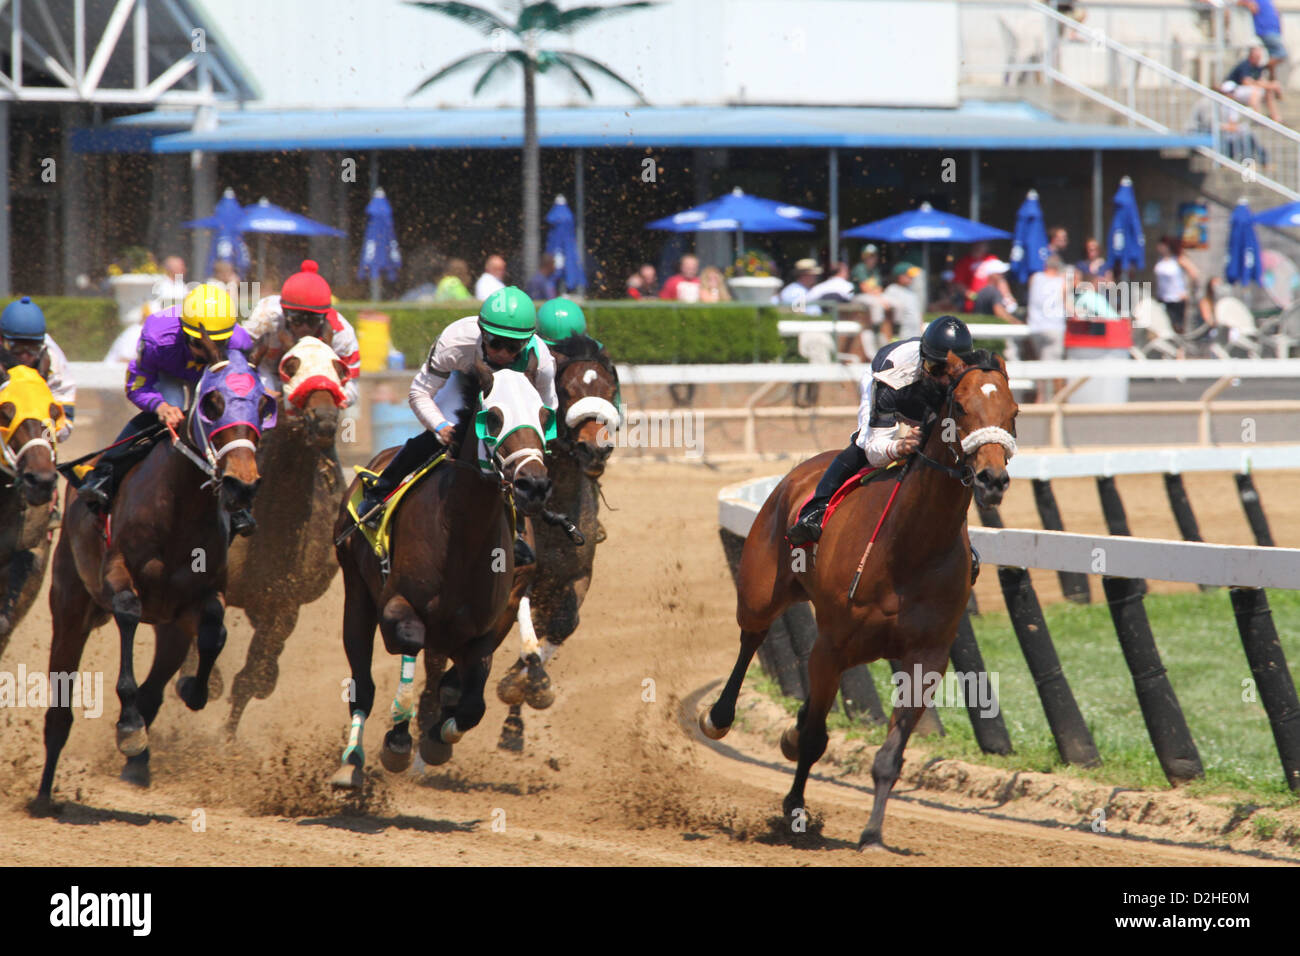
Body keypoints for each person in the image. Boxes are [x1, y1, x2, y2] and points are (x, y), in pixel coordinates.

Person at [355, 286, 558, 563]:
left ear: (527, 342)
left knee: (516, 459)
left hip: (512, 402)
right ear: (481, 332)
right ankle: (379, 493)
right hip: (464, 385)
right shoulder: (456, 341)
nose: (501, 353)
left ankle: (516, 533)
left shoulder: (542, 360)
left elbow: (547, 410)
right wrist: (440, 427)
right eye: (495, 343)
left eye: (513, 347)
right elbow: (420, 393)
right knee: (445, 433)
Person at [77, 283, 258, 535]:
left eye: (218, 344)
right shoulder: (157, 337)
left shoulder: (241, 343)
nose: (209, 351)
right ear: (184, 333)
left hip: (210, 376)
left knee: (222, 417)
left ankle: (238, 503)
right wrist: (159, 406)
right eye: (201, 344)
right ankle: (104, 473)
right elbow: (137, 386)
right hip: (169, 374)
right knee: (172, 408)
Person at [786, 316, 975, 545]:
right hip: (898, 387)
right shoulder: (891, 379)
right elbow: (874, 454)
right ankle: (815, 509)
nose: (945, 380)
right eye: (935, 369)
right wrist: (900, 445)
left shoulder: (969, 378)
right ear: (924, 360)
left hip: (922, 394)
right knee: (861, 445)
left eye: (952, 371)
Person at [243, 260, 361, 408]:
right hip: (268, 373)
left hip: (316, 383)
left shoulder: (342, 335)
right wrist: (257, 388)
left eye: (312, 320)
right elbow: (237, 350)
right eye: (297, 319)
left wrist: (336, 398)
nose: (304, 327)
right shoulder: (266, 316)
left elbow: (352, 385)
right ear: (284, 313)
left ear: (324, 318)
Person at [0, 297, 75, 441]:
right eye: (17, 348)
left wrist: (42, 439)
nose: (25, 355)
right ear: (2, 340)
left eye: (32, 349)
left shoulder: (53, 360)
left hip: (35, 437)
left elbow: (64, 425)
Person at [1026, 256, 1070, 401]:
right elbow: (1068, 306)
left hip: (1036, 327)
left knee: (1041, 364)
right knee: (1052, 367)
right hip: (1054, 327)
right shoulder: (1062, 282)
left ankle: (1041, 397)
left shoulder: (1035, 278)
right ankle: (1051, 400)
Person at [1154, 237, 1200, 346]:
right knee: (1164, 324)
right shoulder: (1160, 260)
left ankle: (1180, 350)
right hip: (1163, 297)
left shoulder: (1178, 259)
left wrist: (1189, 291)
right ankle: (1169, 348)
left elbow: (1195, 273)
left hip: (1177, 298)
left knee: (1177, 326)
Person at [1225, 43, 1283, 122]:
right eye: (1257, 55)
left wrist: (1270, 86)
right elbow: (1246, 81)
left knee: (1267, 91)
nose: (1259, 57)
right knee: (1256, 92)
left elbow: (1260, 80)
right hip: (1234, 89)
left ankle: (1275, 117)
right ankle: (1258, 118)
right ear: (1252, 56)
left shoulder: (1258, 66)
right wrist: (1269, 85)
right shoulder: (1245, 65)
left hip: (1247, 90)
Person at [1237, 3, 1288, 80]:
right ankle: (1258, 69)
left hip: (1272, 31)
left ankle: (1271, 81)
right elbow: (1251, 6)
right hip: (1266, 31)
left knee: (1273, 57)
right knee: (1281, 54)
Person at [883, 263, 923, 340]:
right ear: (900, 277)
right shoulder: (892, 289)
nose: (912, 278)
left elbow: (918, 313)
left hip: (916, 333)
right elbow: (886, 308)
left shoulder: (912, 292)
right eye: (909, 276)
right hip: (902, 334)